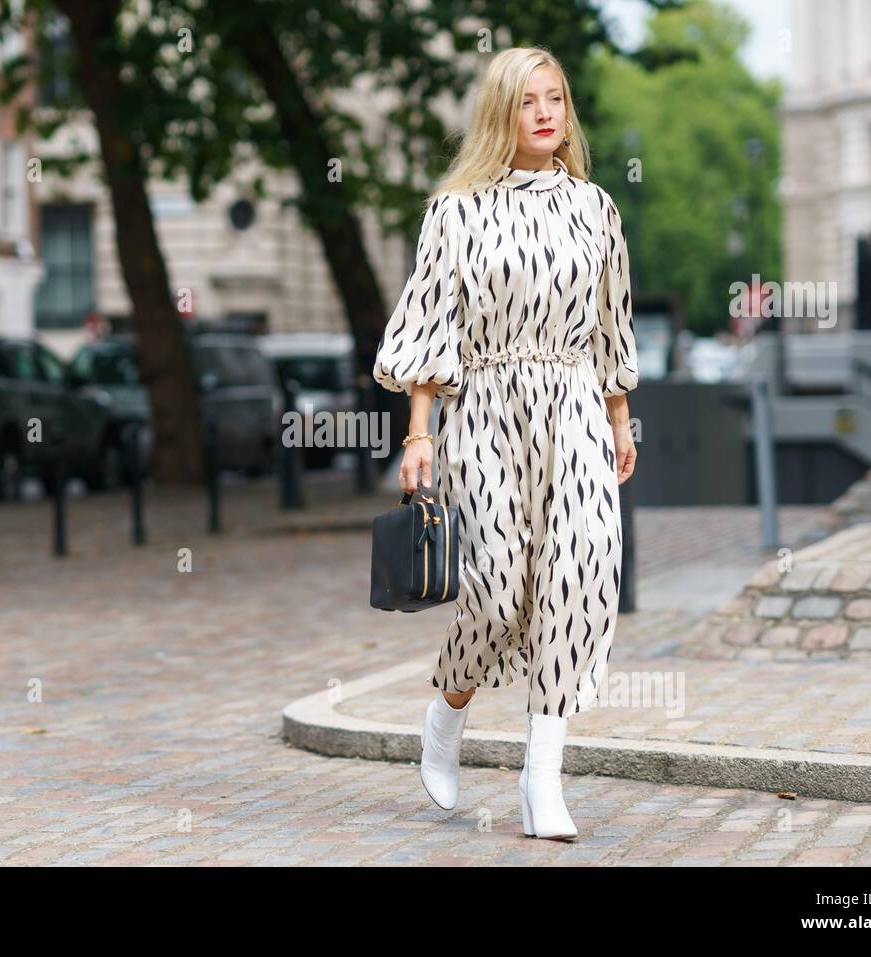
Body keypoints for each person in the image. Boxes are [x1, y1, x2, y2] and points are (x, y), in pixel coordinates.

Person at [372, 47, 640, 840]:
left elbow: (610, 326)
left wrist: (621, 423)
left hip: (577, 409)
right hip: (485, 409)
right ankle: (447, 714)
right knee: (494, 588)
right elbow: (430, 328)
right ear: (502, 114)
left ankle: (542, 778)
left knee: (580, 576)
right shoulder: (456, 211)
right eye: (528, 102)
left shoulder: (595, 209)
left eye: (555, 99)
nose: (546, 114)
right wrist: (418, 434)